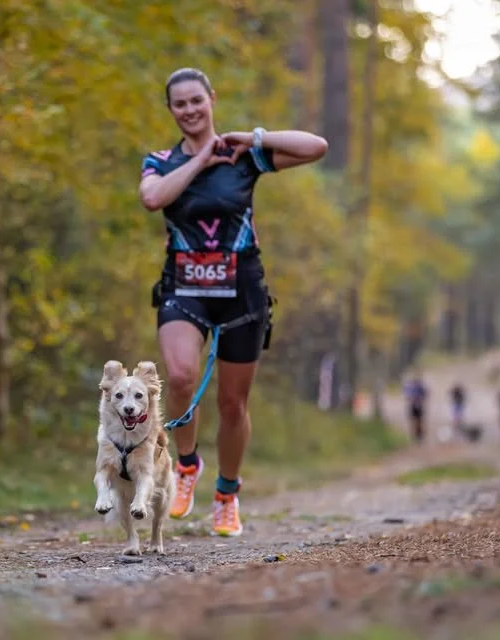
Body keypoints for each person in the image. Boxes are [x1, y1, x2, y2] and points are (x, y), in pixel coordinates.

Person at [138, 68, 328, 536]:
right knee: (179, 376)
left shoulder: (244, 156)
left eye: (196, 101)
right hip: (184, 285)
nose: (189, 110)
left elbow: (315, 147)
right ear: (170, 110)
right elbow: (153, 197)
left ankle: (226, 494)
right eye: (179, 104)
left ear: (210, 100)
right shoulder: (160, 161)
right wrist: (201, 159)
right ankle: (186, 466)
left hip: (241, 286)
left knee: (232, 404)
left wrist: (254, 136)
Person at [403, 374, 428, 444]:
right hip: (413, 406)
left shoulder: (420, 387)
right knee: (413, 421)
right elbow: (407, 396)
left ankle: (419, 435)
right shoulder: (410, 387)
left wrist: (420, 400)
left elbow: (425, 395)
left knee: (419, 421)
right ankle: (414, 435)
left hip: (418, 406)